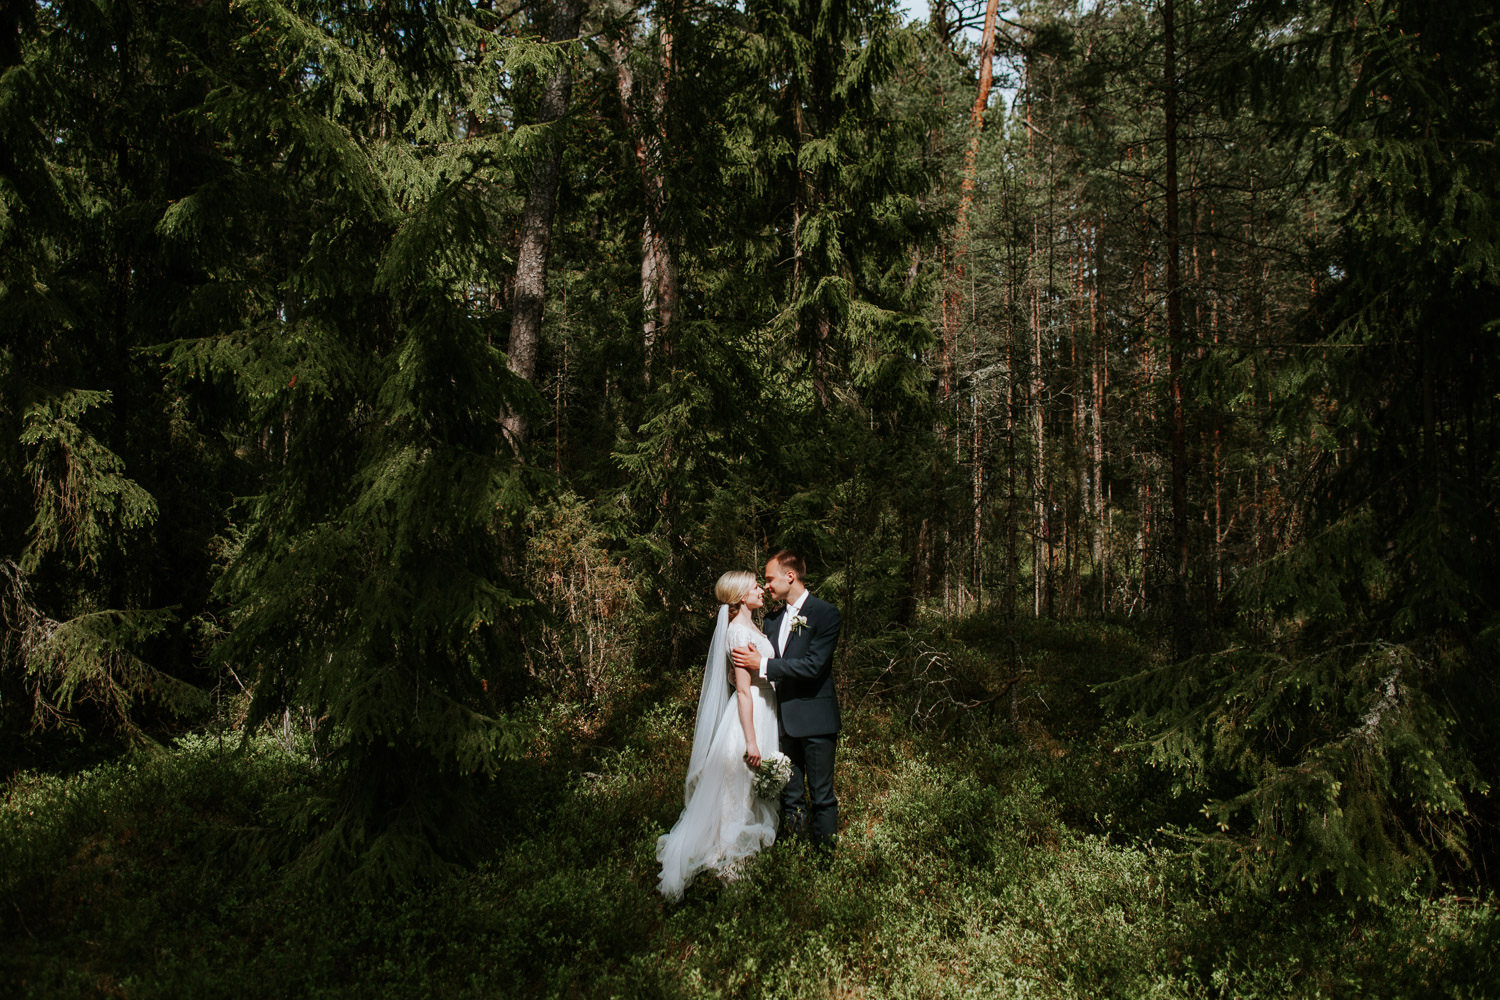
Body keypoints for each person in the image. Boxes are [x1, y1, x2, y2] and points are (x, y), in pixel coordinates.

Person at [656, 571, 780, 901]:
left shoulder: (753, 627)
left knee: (753, 791)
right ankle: (732, 872)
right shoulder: (738, 632)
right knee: (738, 793)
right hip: (749, 717)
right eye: (755, 586)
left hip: (765, 710)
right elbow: (741, 690)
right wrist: (751, 741)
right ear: (741, 596)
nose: (761, 590)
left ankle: (748, 863)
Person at [731, 550, 841, 851]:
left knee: (822, 797)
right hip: (781, 722)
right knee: (790, 796)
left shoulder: (825, 614)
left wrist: (762, 665)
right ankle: (794, 858)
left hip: (816, 722)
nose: (766, 586)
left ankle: (824, 863)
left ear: (789, 576)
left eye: (769, 579)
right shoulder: (772, 619)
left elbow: (813, 666)